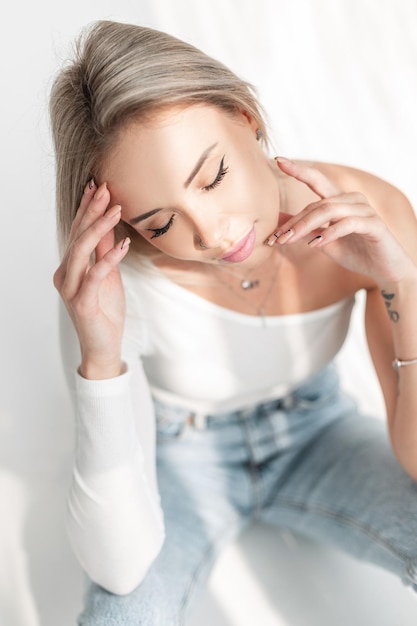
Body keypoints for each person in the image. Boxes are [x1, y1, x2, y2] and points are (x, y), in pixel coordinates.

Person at [50, 19, 417, 625]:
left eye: (213, 176)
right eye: (160, 225)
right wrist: (98, 351)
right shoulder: (110, 283)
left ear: (246, 117)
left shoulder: (366, 215)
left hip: (316, 433)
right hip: (177, 458)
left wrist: (403, 282)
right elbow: (117, 565)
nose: (214, 235)